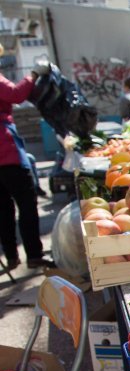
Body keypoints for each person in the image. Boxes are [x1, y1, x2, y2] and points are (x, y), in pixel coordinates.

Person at [0, 47, 55, 270]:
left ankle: (12, 256)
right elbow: (15, 94)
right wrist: (32, 74)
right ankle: (34, 254)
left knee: (3, 209)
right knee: (26, 203)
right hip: (6, 152)